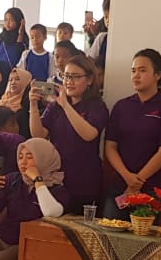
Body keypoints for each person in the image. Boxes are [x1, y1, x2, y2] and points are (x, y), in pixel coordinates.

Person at [102, 49, 161, 219]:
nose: (136, 76)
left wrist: (137, 181)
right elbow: (110, 146)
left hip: (152, 186)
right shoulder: (121, 106)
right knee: (110, 236)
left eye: (142, 70)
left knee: (143, 240)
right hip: (120, 184)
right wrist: (127, 177)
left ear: (157, 75)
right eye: (133, 71)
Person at [28, 53, 108, 211]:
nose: (69, 82)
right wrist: (33, 105)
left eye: (76, 77)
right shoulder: (55, 106)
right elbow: (38, 135)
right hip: (57, 177)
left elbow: (89, 135)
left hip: (85, 178)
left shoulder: (96, 106)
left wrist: (66, 105)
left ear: (90, 80)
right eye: (66, 76)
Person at [0, 6, 29, 76]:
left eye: (11, 20)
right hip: (0, 74)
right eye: (6, 20)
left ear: (19, 22)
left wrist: (21, 33)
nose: (8, 23)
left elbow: (19, 53)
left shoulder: (24, 39)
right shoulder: (0, 38)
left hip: (15, 75)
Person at [88, 0, 110, 67]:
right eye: (106, 17)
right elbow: (90, 61)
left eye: (111, 16)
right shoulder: (102, 37)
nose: (108, 20)